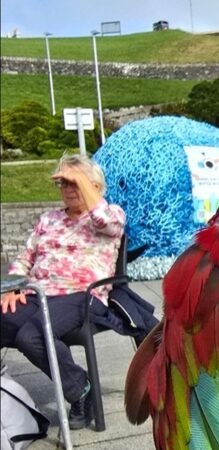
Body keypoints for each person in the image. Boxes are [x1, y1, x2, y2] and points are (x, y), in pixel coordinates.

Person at [0, 154, 126, 430]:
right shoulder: (48, 219)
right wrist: (13, 287)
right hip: (38, 294)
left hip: (82, 296)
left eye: (74, 183)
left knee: (31, 335)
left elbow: (108, 223)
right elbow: (24, 258)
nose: (68, 189)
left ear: (94, 186)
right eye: (63, 183)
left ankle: (80, 390)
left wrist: (81, 177)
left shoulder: (110, 214)